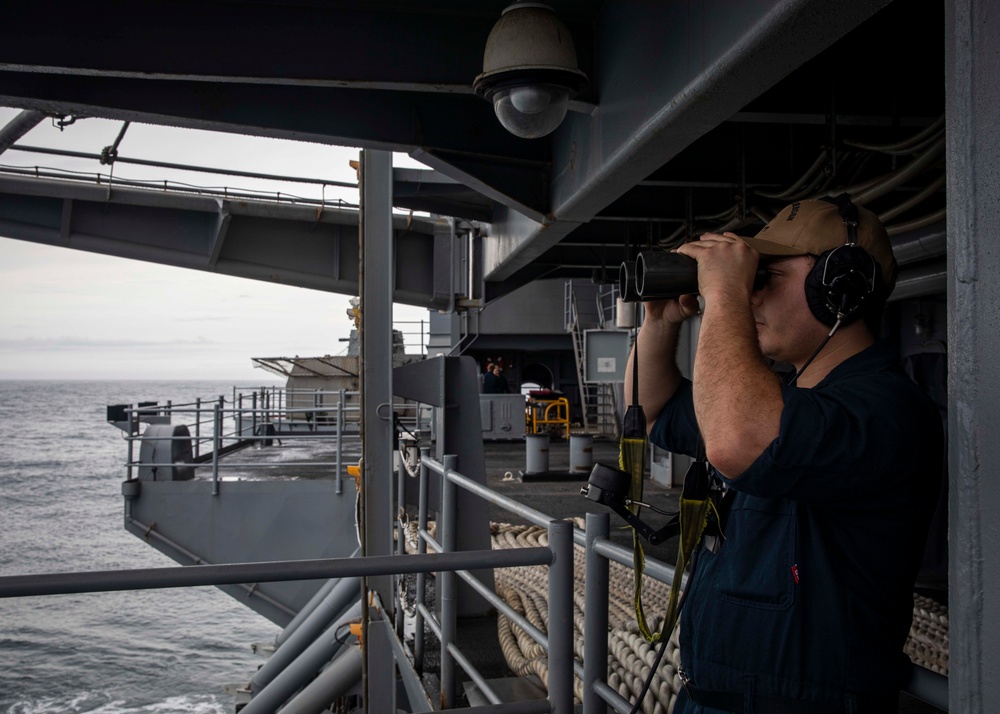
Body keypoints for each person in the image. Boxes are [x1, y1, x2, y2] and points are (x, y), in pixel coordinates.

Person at [625, 196, 943, 713]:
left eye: (765, 277)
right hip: (710, 697)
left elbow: (736, 442)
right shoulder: (773, 400)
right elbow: (654, 410)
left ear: (840, 285)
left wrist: (724, 291)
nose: (751, 297)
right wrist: (660, 323)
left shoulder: (886, 410)